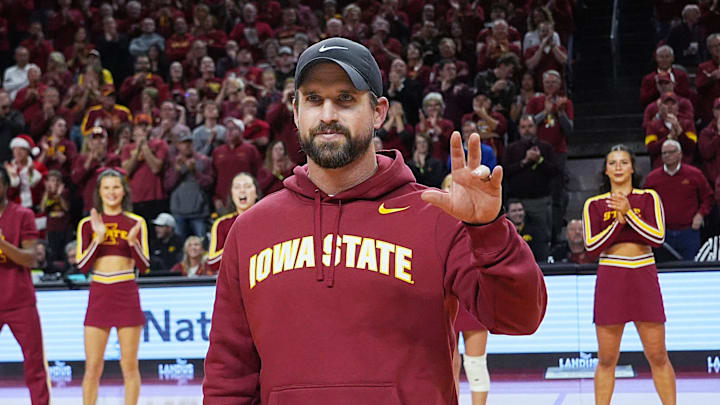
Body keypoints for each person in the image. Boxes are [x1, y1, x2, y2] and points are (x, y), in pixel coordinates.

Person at [203, 37, 546, 405]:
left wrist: (488, 229)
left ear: (379, 111)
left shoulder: (435, 213)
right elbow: (229, 375)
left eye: (346, 99)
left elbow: (520, 318)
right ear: (296, 111)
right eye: (314, 100)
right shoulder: (252, 229)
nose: (328, 115)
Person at [583, 145, 675, 405]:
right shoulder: (595, 204)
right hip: (611, 279)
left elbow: (657, 237)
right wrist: (618, 221)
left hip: (644, 276)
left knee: (657, 355)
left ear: (633, 167)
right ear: (606, 170)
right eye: (613, 163)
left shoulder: (649, 198)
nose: (619, 167)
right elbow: (591, 247)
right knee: (607, 358)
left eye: (624, 162)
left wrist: (629, 214)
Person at [76, 169, 150, 405]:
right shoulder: (88, 224)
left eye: (116, 187)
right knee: (92, 368)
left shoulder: (136, 222)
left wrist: (132, 243)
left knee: (129, 366)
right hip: (99, 292)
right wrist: (98, 238)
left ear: (124, 190)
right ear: (99, 192)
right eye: (106, 188)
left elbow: (144, 265)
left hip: (126, 290)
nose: (111, 192)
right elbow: (82, 267)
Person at [0, 167, 50, 405]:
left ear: (5, 187)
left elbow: (30, 258)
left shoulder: (23, 214)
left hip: (20, 300)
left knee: (34, 364)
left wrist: (3, 245)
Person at [442, 174, 490, 405]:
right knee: (448, 363)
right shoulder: (436, 224)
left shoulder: (480, 220)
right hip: (444, 297)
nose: (454, 191)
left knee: (476, 362)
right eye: (449, 187)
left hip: (471, 293)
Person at [643, 140, 713, 261]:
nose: (667, 155)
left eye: (671, 152)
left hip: (689, 232)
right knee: (665, 270)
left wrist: (700, 214)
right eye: (664, 153)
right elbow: (645, 203)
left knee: (691, 270)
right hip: (664, 234)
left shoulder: (694, 174)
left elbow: (708, 197)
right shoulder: (652, 178)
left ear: (680, 154)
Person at [207, 172, 261, 272]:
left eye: (247, 186)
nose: (242, 190)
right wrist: (238, 245)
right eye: (237, 187)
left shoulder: (267, 220)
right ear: (232, 194)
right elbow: (212, 263)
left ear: (256, 193)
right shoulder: (221, 224)